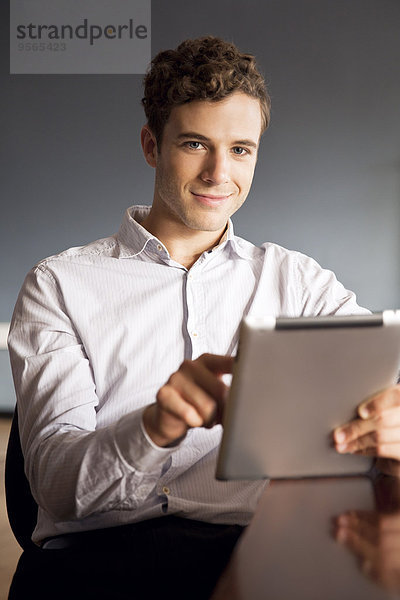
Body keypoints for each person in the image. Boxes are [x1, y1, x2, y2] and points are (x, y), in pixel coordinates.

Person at [7, 36, 400, 599]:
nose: (220, 172)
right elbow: (54, 487)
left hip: (257, 555)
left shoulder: (300, 281)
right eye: (195, 144)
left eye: (241, 149)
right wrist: (153, 429)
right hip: (99, 562)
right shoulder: (59, 284)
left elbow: (381, 394)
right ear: (151, 145)